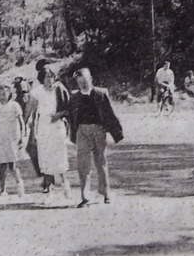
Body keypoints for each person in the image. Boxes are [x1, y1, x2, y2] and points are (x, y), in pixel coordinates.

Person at [66, 67, 124, 207]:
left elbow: (110, 113)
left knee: (100, 161)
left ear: (90, 79)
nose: (83, 85)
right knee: (83, 163)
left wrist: (117, 132)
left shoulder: (101, 94)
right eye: (80, 83)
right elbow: (71, 116)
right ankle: (85, 196)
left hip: (98, 130)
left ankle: (105, 192)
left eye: (85, 81)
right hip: (82, 131)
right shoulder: (74, 97)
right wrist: (72, 134)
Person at [28, 62, 72, 200]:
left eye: (51, 76)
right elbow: (33, 114)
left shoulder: (60, 89)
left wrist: (59, 115)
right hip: (43, 126)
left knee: (59, 156)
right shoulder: (37, 92)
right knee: (45, 158)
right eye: (46, 77)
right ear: (41, 78)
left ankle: (65, 185)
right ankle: (49, 189)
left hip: (57, 125)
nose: (49, 79)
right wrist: (31, 133)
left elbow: (70, 109)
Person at [0, 82, 28, 197]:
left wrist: (22, 136)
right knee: (2, 166)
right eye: (0, 94)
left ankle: (19, 184)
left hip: (12, 138)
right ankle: (3, 190)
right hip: (1, 138)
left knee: (12, 165)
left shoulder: (14, 105)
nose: (2, 96)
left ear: (9, 94)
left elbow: (21, 122)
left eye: (4, 94)